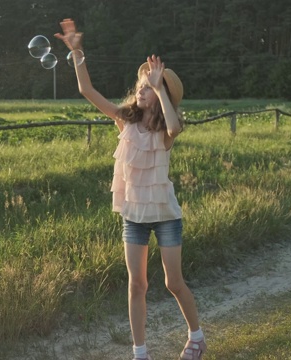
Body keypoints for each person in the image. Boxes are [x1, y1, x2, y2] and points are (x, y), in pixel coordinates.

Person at [55, 19, 206, 360]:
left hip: (165, 215)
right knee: (137, 284)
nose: (142, 88)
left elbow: (173, 125)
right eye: (141, 83)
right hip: (134, 215)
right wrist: (77, 52)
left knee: (173, 282)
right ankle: (140, 353)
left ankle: (196, 337)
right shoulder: (125, 121)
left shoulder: (167, 129)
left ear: (162, 95)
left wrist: (161, 87)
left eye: (150, 86)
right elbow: (87, 92)